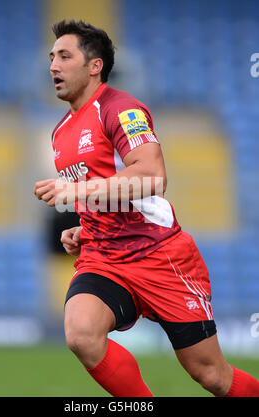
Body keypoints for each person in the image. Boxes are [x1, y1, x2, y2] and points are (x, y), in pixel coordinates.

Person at [34, 19, 259, 397]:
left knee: (211, 376)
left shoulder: (122, 109)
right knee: (81, 334)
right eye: (52, 57)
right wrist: (85, 230)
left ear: (94, 66)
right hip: (104, 257)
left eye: (64, 56)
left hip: (159, 256)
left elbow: (152, 177)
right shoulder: (60, 132)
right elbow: (105, 193)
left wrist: (73, 189)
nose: (53, 65)